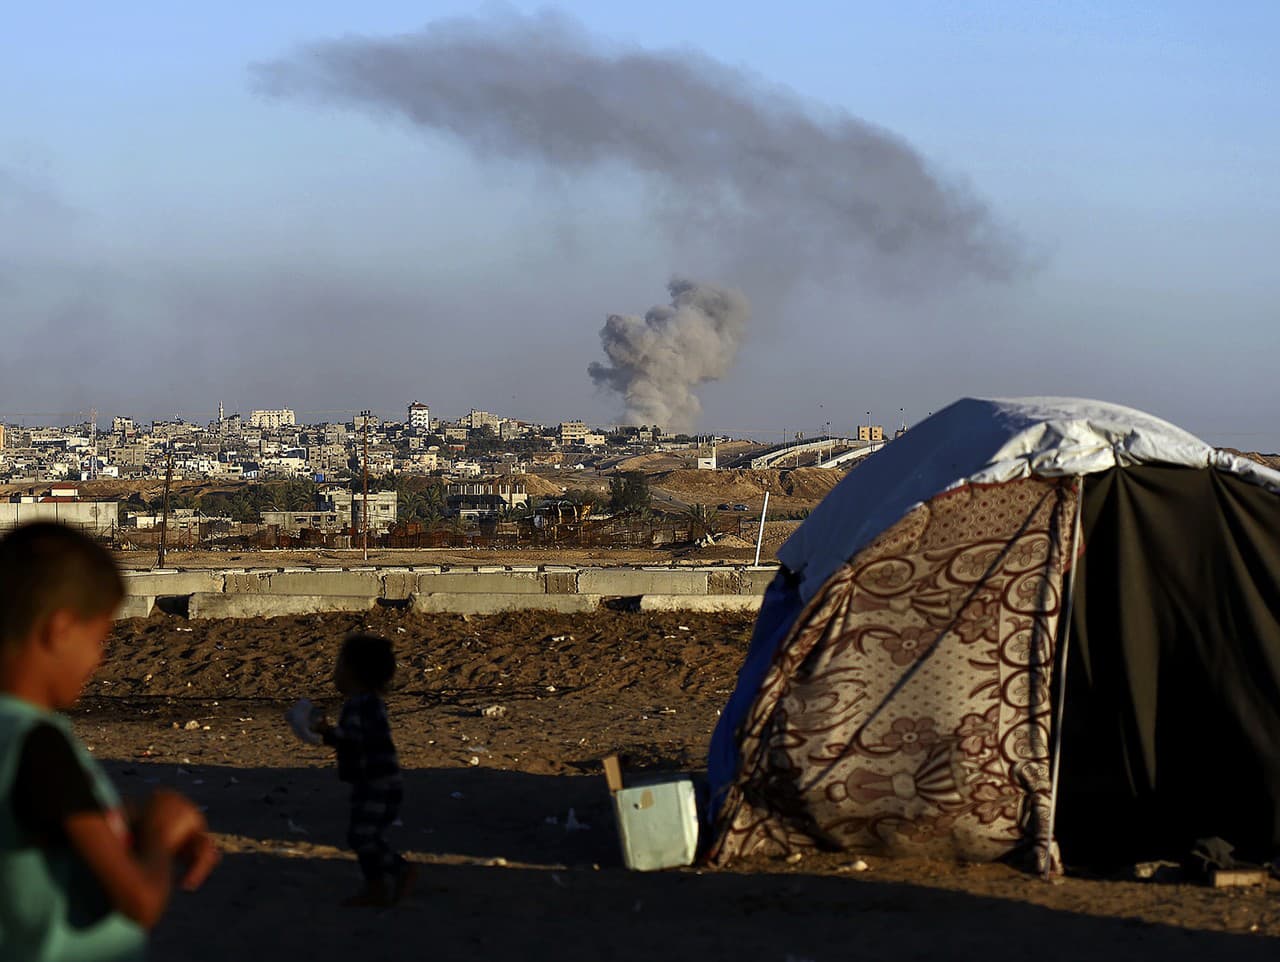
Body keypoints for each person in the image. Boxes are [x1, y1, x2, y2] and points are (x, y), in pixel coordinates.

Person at [0, 521, 218, 961]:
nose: (98, 659)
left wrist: (131, 825)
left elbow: (41, 819)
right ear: (59, 630)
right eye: (98, 639)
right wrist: (159, 834)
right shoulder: (38, 744)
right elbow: (139, 901)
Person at [313, 632, 415, 906]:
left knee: (362, 836)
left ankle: (397, 872)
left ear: (353, 672)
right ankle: (378, 885)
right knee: (364, 835)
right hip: (376, 781)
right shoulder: (370, 704)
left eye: (339, 666)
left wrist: (325, 732)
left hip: (376, 783)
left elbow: (353, 739)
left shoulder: (360, 706)